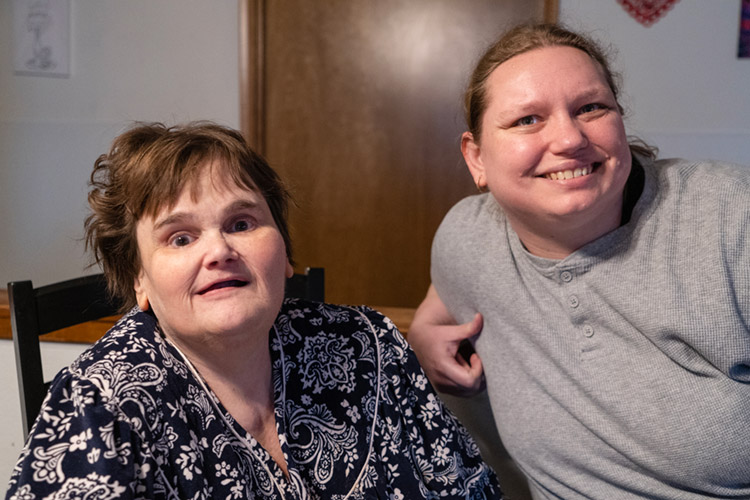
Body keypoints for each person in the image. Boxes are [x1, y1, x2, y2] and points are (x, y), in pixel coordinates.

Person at [5, 122, 503, 499]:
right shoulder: (99, 407)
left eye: (242, 223)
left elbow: (467, 487)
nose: (218, 250)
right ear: (140, 280)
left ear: (284, 253)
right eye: (180, 237)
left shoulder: (368, 343)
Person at [408, 23, 750, 499]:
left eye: (591, 108)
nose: (569, 138)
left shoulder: (731, 219)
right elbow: (444, 292)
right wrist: (422, 333)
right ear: (476, 158)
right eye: (527, 119)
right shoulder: (468, 236)